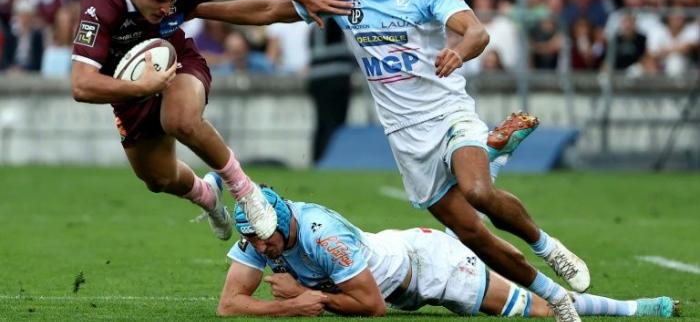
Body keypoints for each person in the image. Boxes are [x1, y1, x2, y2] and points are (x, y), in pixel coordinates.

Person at [195, 0, 588, 321]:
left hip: (447, 113)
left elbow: (477, 31)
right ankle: (554, 296)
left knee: (476, 191)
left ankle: (547, 247)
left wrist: (458, 50)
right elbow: (268, 12)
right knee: (472, 234)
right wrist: (197, 10)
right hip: (404, 137)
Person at [70, 0, 351, 241]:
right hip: (129, 85)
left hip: (176, 59)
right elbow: (81, 84)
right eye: (158, 0)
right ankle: (207, 196)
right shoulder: (100, 5)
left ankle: (248, 193)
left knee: (180, 120)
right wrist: (140, 87)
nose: (166, 8)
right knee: (157, 178)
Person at [216, 184, 678, 318]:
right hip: (401, 268)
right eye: (254, 239)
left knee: (542, 311)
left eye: (265, 237)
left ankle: (638, 309)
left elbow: (372, 307)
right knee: (543, 304)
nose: (261, 246)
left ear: (284, 219)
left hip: (429, 266)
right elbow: (228, 305)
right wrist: (280, 307)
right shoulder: (260, 228)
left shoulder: (323, 235)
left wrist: (302, 300)